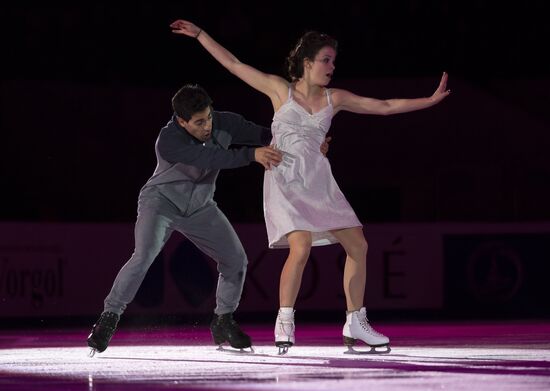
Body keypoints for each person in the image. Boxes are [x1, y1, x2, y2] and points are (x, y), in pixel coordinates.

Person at [170, 20, 450, 354]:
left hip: (319, 180)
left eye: (333, 60)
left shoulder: (337, 98)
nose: (332, 67)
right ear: (307, 63)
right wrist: (202, 35)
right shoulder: (279, 89)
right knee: (300, 246)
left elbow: (385, 106)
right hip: (284, 177)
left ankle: (355, 322)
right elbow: (235, 64)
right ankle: (285, 321)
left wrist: (429, 100)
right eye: (326, 60)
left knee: (358, 244)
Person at [86, 84, 288, 355]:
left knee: (236, 259)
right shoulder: (168, 140)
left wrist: (304, 143)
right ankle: (109, 318)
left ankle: (223, 319)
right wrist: (251, 155)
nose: (207, 126)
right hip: (161, 203)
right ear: (181, 121)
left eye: (209, 117)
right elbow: (209, 156)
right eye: (199, 122)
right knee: (144, 254)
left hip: (200, 207)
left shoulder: (225, 122)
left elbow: (265, 134)